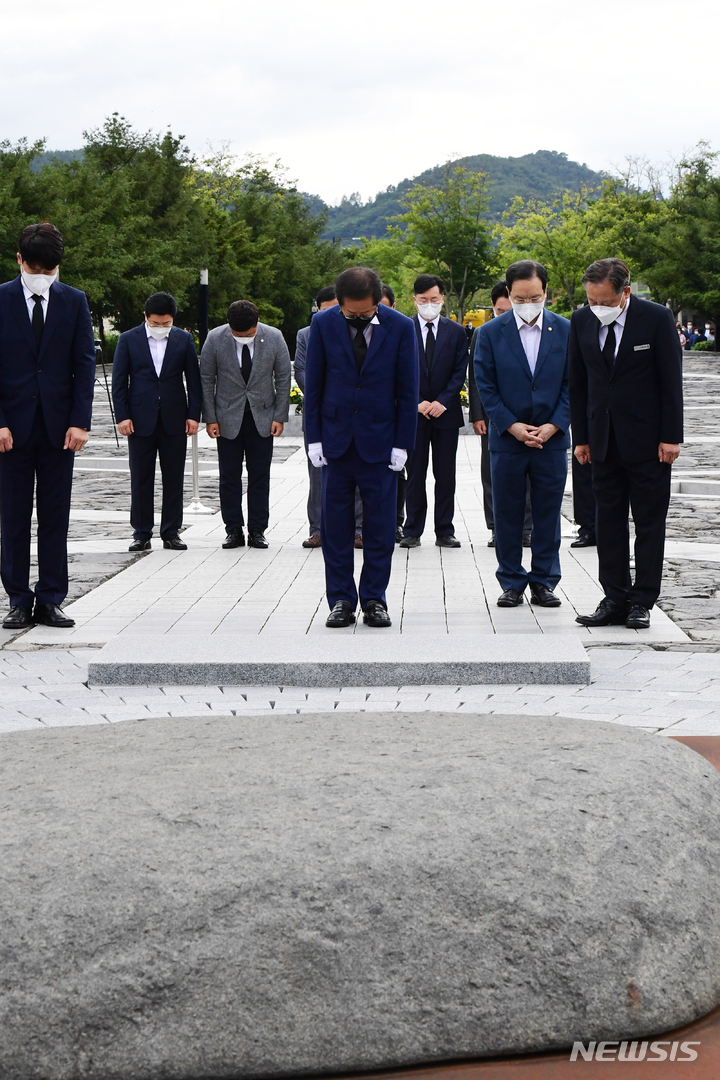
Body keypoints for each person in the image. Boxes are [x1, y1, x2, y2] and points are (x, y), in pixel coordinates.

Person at [570, 258, 683, 629]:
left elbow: (671, 382)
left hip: (649, 442)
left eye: (604, 300)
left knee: (649, 522)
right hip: (602, 441)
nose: (597, 307)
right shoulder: (583, 320)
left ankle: (642, 600)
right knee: (608, 522)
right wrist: (581, 438)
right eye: (592, 300)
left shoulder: (655, 318)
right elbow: (579, 383)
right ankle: (614, 597)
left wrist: (671, 436)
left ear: (625, 292)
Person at [304, 266, 418, 628]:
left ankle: (374, 599)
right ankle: (340, 599)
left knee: (380, 527)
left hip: (381, 443)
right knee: (334, 527)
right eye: (350, 312)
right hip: (336, 442)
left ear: (377, 300)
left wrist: (403, 444)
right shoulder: (322, 325)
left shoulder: (401, 327)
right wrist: (314, 438)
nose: (358, 317)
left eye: (365, 312)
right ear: (338, 303)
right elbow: (315, 385)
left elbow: (407, 389)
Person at [0, 222, 95, 629]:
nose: (41, 277)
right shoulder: (1, 299)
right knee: (13, 516)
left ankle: (51, 597)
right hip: (10, 430)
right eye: (34, 268)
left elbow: (84, 364)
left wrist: (80, 422)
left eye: (49, 270)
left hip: (60, 430)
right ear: (18, 260)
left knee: (55, 514)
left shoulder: (74, 301)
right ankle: (18, 599)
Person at [474, 260, 571, 608]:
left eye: (535, 296)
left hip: (551, 438)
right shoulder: (489, 333)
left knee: (548, 514)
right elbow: (484, 385)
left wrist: (555, 423)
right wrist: (511, 425)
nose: (527, 303)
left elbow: (572, 383)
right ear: (509, 294)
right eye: (520, 297)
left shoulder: (565, 330)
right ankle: (511, 581)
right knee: (508, 513)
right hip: (507, 439)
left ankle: (544, 581)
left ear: (546, 292)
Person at [112, 292, 201, 552]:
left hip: (174, 418)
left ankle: (171, 531)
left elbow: (194, 382)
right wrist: (123, 416)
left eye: (166, 324)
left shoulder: (184, 340)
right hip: (139, 419)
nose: (161, 328)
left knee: (174, 477)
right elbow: (119, 381)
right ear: (145, 317)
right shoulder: (128, 340)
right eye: (156, 323)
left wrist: (194, 415)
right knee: (141, 477)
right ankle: (141, 532)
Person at [200, 300, 291, 549]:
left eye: (247, 334)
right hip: (227, 417)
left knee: (259, 476)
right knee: (229, 477)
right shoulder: (215, 338)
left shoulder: (274, 337)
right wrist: (210, 418)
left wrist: (279, 416)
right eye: (237, 334)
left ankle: (257, 529)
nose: (242, 337)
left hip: (262, 417)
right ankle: (233, 529)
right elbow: (206, 379)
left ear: (257, 323)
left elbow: (283, 377)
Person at [400, 274, 468, 549]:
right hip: (413, 414)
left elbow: (459, 370)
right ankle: (412, 530)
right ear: (414, 300)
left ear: (443, 299)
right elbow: (398, 371)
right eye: (424, 300)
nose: (429, 304)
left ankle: (445, 530)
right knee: (415, 473)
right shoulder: (403, 329)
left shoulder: (456, 331)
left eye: (434, 299)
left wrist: (443, 401)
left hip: (446, 414)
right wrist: (415, 401)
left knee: (445, 474)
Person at [294, 286, 363, 550]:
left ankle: (357, 529)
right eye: (327, 308)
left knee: (356, 473)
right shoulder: (306, 334)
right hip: (319, 413)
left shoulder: (357, 330)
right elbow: (301, 369)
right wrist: (322, 394)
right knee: (318, 475)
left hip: (352, 414)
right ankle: (318, 529)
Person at [468, 282, 532, 548]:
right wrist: (477, 414)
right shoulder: (484, 333)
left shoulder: (531, 331)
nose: (504, 315)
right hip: (494, 416)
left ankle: (527, 527)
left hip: (530, 414)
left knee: (529, 473)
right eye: (499, 310)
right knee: (491, 472)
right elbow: (477, 379)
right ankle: (496, 525)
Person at [378, 284, 407, 540]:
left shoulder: (401, 328)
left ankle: (397, 522)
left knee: (398, 475)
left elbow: (409, 379)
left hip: (396, 418)